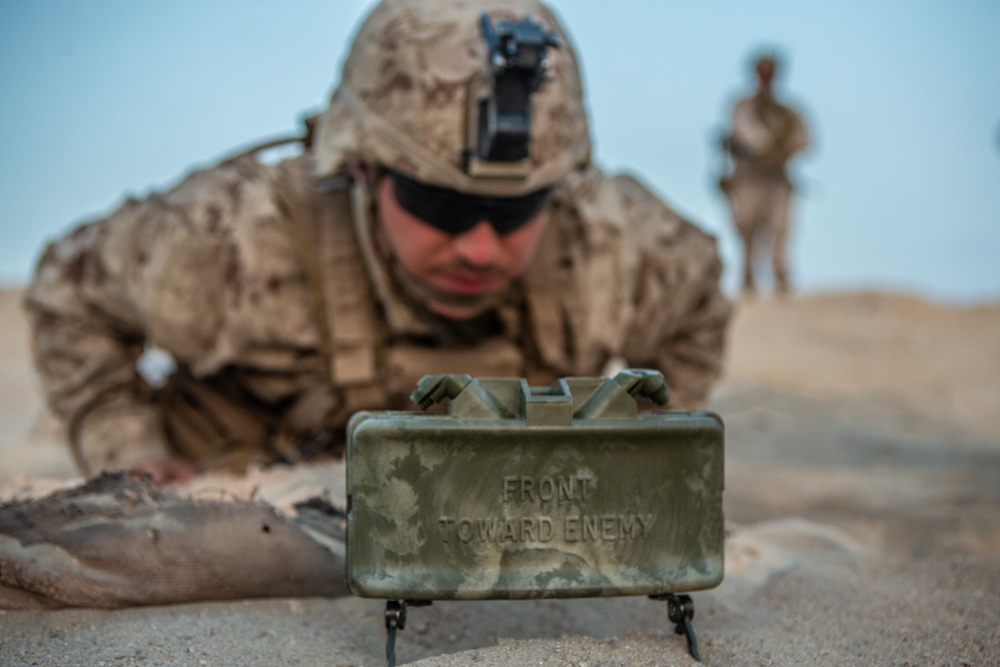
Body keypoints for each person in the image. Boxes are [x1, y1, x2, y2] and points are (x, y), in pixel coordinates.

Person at [24, 0, 731, 485]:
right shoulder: (227, 242)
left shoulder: (611, 244)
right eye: (443, 206)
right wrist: (131, 451)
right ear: (362, 170)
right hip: (252, 499)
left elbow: (698, 301)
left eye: (518, 210)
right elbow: (66, 289)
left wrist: (629, 452)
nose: (482, 249)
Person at [719, 51, 810, 296]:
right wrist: (768, 145)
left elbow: (804, 140)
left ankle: (781, 279)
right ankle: (748, 280)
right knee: (747, 230)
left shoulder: (788, 113)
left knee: (779, 229)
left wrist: (782, 148)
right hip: (748, 179)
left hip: (777, 180)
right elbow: (746, 137)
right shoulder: (743, 107)